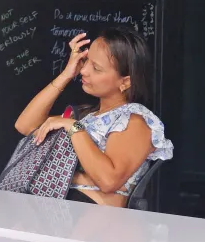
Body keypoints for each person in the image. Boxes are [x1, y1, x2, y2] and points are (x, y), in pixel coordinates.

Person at [14, 26, 173, 208]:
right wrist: (67, 74)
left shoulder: (134, 120)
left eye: (96, 68)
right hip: (56, 206)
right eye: (86, 60)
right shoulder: (88, 116)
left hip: (87, 212)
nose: (84, 70)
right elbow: (25, 125)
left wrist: (73, 127)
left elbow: (108, 180)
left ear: (125, 82)